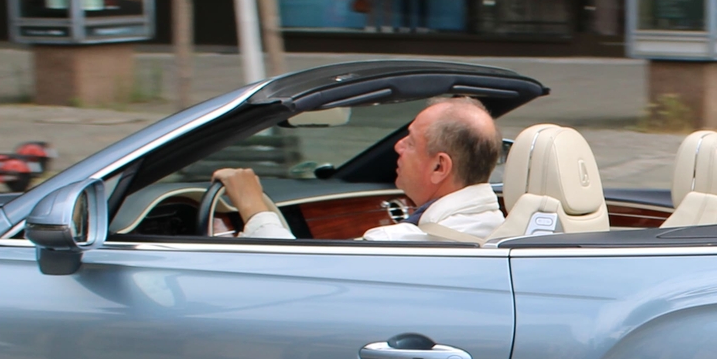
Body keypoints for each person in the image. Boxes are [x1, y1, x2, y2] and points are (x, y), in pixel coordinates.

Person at [209, 98, 503, 242]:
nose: (397, 146)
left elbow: (299, 275)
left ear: (439, 166)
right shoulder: (502, 226)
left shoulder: (397, 245)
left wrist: (253, 206)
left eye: (410, 142)